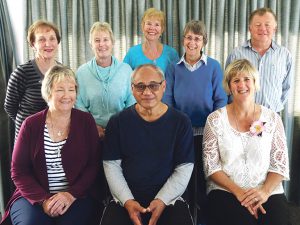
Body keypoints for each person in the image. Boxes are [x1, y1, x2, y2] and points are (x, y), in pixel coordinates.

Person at [0, 65, 101, 225]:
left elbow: (94, 164)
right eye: (60, 89)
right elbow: (18, 171)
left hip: (77, 195)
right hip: (34, 196)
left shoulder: (86, 121)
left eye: (71, 89)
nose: (67, 95)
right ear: (48, 92)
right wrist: (44, 200)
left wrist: (70, 194)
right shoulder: (30, 125)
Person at [100, 64, 194, 225]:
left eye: (153, 86)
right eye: (140, 86)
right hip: (125, 198)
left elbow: (184, 168)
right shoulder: (117, 122)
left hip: (170, 199)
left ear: (163, 86)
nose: (147, 92)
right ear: (132, 88)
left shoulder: (181, 122)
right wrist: (128, 201)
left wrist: (162, 200)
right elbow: (111, 166)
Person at [203, 59, 289, 225]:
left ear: (255, 82)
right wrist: (240, 193)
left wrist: (263, 192)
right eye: (236, 80)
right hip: (226, 190)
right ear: (229, 86)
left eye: (247, 79)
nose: (242, 85)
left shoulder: (271, 118)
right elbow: (211, 167)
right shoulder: (215, 120)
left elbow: (280, 164)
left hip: (267, 190)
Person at [163, 20, 228, 224]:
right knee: (184, 175)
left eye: (197, 38)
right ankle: (186, 212)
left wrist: (212, 127)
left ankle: (204, 215)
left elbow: (221, 99)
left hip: (207, 133)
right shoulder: (174, 68)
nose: (192, 42)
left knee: (204, 175)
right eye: (189, 37)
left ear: (203, 42)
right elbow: (167, 101)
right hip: (181, 133)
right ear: (183, 40)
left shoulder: (214, 66)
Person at [225, 7, 293, 113]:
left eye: (267, 25)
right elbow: (228, 86)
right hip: (240, 115)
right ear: (250, 28)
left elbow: (286, 87)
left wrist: (274, 108)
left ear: (274, 29)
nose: (262, 28)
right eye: (257, 25)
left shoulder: (284, 55)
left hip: (271, 116)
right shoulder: (236, 54)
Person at [75, 22, 135, 139]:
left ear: (112, 42)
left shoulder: (126, 70)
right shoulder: (81, 72)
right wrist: (92, 126)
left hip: (121, 130)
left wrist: (119, 125)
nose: (101, 44)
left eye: (106, 39)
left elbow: (131, 101)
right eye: (97, 40)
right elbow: (79, 103)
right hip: (90, 131)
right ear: (91, 44)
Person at [4, 20, 61, 141]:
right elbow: (10, 106)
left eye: (52, 38)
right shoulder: (22, 73)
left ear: (57, 42)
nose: (48, 44)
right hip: (28, 135)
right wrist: (27, 123)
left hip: (55, 135)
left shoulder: (63, 71)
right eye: (41, 40)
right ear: (33, 44)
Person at [123, 8, 179, 73]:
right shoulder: (132, 53)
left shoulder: (172, 54)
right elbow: (123, 78)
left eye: (157, 24)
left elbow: (178, 79)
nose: (152, 28)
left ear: (162, 29)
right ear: (143, 27)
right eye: (149, 24)